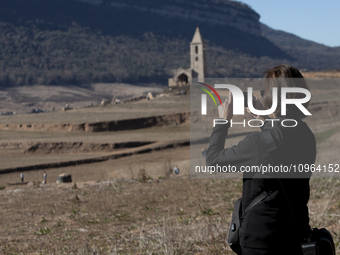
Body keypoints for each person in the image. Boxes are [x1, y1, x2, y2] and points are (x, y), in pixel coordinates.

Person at [206, 65, 316, 255]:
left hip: (261, 240)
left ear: (271, 98)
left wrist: (223, 121)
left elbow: (213, 159)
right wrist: (267, 119)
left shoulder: (256, 144)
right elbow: (281, 145)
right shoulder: (307, 135)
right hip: (294, 234)